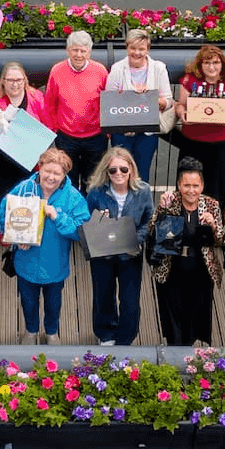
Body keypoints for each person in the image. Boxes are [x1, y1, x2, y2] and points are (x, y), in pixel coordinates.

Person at [0, 147, 90, 345]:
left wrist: (59, 217)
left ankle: (51, 332)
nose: (51, 177)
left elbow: (82, 230)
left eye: (57, 173)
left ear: (65, 174)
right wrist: (15, 237)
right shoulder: (24, 188)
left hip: (55, 262)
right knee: (28, 301)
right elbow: (5, 209)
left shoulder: (73, 197)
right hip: (26, 259)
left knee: (53, 302)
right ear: (39, 167)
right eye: (47, 171)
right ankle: (30, 331)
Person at [149, 157, 225, 347]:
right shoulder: (170, 200)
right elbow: (151, 231)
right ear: (179, 185)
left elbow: (222, 240)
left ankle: (187, 348)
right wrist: (161, 209)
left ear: (202, 185)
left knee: (194, 314)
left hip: (200, 269)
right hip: (172, 267)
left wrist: (212, 224)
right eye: (186, 185)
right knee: (173, 314)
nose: (191, 190)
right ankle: (174, 349)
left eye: (195, 185)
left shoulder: (211, 204)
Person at [84, 146, 154, 346]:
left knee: (130, 300)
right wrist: (98, 222)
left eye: (123, 169)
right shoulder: (96, 192)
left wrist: (135, 238)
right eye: (113, 170)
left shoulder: (143, 190)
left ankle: (126, 337)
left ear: (131, 169)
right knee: (103, 296)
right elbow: (87, 219)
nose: (118, 174)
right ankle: (106, 334)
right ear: (106, 171)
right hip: (103, 252)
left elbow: (149, 219)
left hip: (130, 252)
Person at [175, 44, 225, 204]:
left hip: (220, 145)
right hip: (192, 143)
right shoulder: (190, 79)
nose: (211, 67)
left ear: (222, 64)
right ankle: (187, 224)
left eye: (215, 62)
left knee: (218, 189)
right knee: (188, 186)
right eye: (207, 63)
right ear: (200, 65)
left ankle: (215, 225)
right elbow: (180, 105)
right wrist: (182, 114)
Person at [0, 61, 52, 206]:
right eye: (10, 80)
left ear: (25, 80)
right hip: (1, 166)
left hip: (30, 164)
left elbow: (49, 126)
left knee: (28, 207)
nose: (15, 84)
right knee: (1, 205)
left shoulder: (37, 98)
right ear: (3, 81)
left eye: (19, 80)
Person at [104, 28, 173, 183]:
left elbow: (168, 101)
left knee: (141, 176)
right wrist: (130, 97)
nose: (137, 53)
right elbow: (110, 101)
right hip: (122, 132)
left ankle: (141, 207)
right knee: (119, 174)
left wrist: (149, 97)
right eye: (133, 48)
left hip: (147, 132)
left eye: (141, 49)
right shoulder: (117, 69)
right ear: (126, 47)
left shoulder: (159, 68)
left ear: (147, 49)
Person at [46, 30, 110, 187]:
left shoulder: (100, 71)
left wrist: (107, 132)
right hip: (67, 137)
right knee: (68, 181)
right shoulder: (57, 71)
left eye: (83, 51)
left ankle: (90, 211)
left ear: (89, 52)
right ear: (68, 50)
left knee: (94, 181)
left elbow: (107, 103)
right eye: (75, 50)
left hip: (95, 137)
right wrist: (55, 130)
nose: (79, 55)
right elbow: (50, 103)